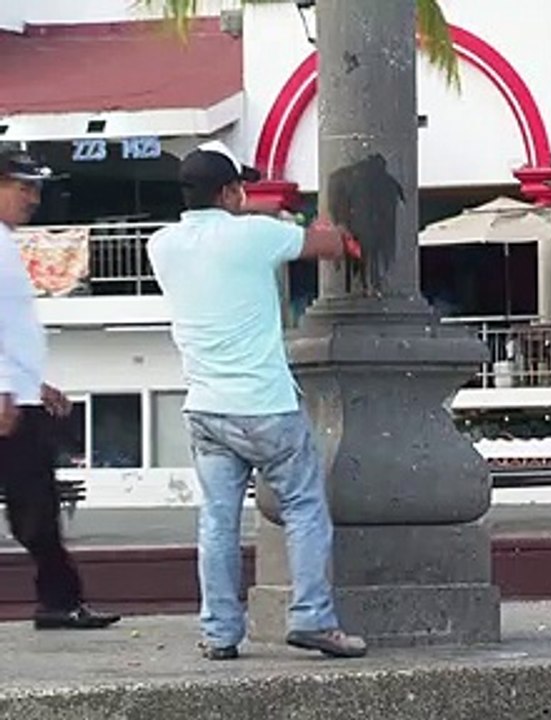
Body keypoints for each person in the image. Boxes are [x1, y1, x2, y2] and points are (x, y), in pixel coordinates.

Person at [148, 141, 364, 660]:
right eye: (239, 187)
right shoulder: (257, 235)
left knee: (218, 522)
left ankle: (221, 632)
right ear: (228, 191)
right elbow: (332, 244)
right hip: (265, 404)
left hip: (205, 407)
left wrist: (260, 212)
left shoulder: (162, 244)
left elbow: (226, 231)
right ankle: (312, 618)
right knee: (305, 507)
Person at [0, 149, 121, 630]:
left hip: (20, 393)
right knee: (34, 507)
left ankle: (59, 601)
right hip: (8, 401)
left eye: (36, 188)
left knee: (38, 508)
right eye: (21, 186)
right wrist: (5, 389)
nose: (33, 197)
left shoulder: (7, 243)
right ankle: (58, 602)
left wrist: (34, 383)